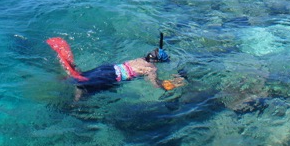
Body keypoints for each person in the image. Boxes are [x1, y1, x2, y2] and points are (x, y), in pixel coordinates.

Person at [46, 37, 186, 99]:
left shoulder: (140, 59)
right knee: (85, 89)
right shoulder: (152, 69)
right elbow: (155, 85)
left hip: (109, 68)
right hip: (112, 77)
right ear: (158, 62)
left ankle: (67, 75)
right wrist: (170, 85)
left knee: (82, 76)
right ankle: (75, 105)